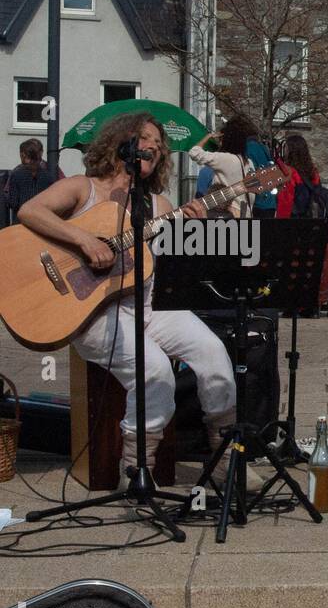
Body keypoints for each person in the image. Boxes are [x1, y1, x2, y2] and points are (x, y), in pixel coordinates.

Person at [15, 113, 244, 487]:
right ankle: (138, 468)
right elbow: (30, 211)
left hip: (149, 305)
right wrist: (84, 241)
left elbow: (176, 256)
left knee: (214, 353)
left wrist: (199, 222)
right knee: (155, 370)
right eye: (145, 138)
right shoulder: (81, 188)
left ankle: (225, 461)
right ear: (120, 143)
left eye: (159, 143)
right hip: (92, 311)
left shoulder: (158, 205)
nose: (154, 145)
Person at [188, 114, 260, 216]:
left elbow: (194, 152)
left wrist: (208, 136)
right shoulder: (249, 163)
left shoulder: (225, 159)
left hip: (227, 214)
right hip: (245, 213)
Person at [5, 139, 60, 225]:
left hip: (21, 222)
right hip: (42, 221)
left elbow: (13, 203)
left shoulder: (17, 174)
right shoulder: (48, 176)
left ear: (23, 155)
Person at [276, 134, 321, 218]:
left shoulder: (290, 173)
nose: (284, 151)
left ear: (291, 151)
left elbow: (285, 203)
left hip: (293, 220)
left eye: (286, 148)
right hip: (309, 218)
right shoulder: (313, 172)